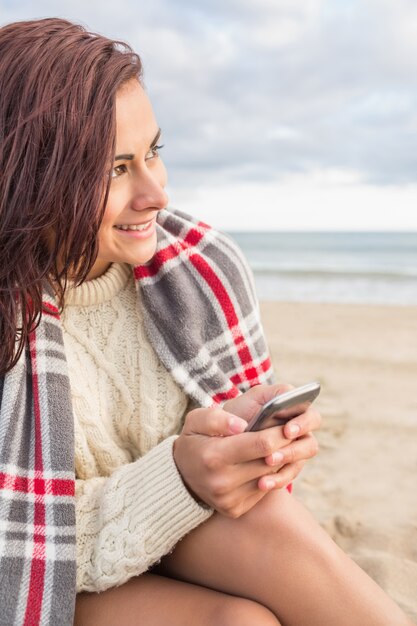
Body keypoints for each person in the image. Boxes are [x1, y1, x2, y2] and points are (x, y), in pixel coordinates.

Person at [0, 18, 413, 626]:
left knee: (269, 517)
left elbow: (227, 480)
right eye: (115, 170)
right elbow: (20, 544)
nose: (156, 194)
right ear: (35, 177)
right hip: (51, 568)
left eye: (153, 153)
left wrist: (253, 448)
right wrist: (181, 480)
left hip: (174, 534)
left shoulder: (200, 267)